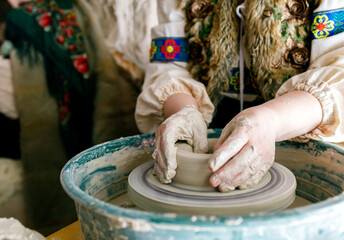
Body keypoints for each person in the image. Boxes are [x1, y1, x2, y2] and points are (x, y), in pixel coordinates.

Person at [135, 0, 344, 192]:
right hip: (210, 117)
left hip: (300, 121)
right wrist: (183, 111)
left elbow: (339, 77)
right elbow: (171, 63)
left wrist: (271, 119)